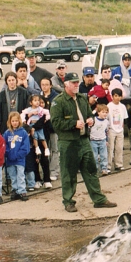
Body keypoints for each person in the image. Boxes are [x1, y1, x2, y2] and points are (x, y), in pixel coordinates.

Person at [50, 72, 117, 212]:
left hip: (84, 140)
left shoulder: (81, 98)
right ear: (66, 84)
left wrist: (90, 120)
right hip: (68, 142)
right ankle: (68, 201)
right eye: (73, 83)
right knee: (68, 173)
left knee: (91, 170)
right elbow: (55, 123)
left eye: (76, 82)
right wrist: (73, 124)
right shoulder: (58, 101)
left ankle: (99, 199)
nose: (76, 85)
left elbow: (88, 114)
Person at [21, 95, 52, 189]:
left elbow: (43, 123)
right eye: (37, 101)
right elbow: (24, 122)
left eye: (41, 102)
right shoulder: (28, 111)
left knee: (44, 160)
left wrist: (33, 127)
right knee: (34, 159)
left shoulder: (43, 114)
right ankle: (37, 179)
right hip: (32, 139)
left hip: (42, 137)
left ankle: (47, 179)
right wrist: (29, 121)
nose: (39, 104)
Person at [3, 111, 30, 201]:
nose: (15, 123)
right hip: (10, 159)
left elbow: (25, 147)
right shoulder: (7, 133)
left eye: (16, 121)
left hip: (20, 159)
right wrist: (8, 153)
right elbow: (4, 144)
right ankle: (15, 190)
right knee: (12, 175)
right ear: (10, 122)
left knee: (20, 175)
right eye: (13, 121)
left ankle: (22, 191)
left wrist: (18, 155)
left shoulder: (23, 133)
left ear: (19, 121)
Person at [40, 77, 60, 182]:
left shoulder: (56, 97)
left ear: (51, 85)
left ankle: (54, 171)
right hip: (42, 128)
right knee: (44, 150)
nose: (44, 86)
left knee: (55, 149)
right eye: (42, 84)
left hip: (53, 127)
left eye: (46, 84)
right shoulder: (38, 97)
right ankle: (45, 171)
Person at [107, 88, 128, 171]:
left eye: (119, 96)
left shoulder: (122, 106)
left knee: (119, 148)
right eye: (115, 96)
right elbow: (106, 118)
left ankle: (118, 164)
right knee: (110, 148)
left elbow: (124, 118)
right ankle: (107, 166)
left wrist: (121, 128)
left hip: (120, 130)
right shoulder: (109, 106)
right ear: (112, 96)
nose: (117, 98)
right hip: (111, 130)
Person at [90, 103, 110, 176]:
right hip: (93, 140)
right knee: (94, 156)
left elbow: (106, 131)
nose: (105, 114)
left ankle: (104, 168)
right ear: (98, 112)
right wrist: (94, 110)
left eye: (106, 112)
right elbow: (90, 115)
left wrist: (107, 140)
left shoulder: (106, 122)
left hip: (102, 140)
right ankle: (94, 169)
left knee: (104, 155)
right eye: (103, 112)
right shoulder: (94, 119)